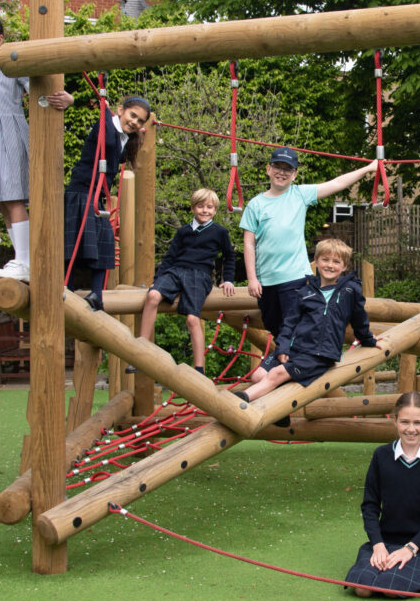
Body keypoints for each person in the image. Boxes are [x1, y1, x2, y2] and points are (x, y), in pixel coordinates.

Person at [0, 8, 73, 282]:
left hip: (10, 136)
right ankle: (21, 258)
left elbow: (40, 88)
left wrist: (67, 99)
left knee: (13, 197)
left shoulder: (8, 65)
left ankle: (25, 261)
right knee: (3, 202)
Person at [239, 146, 377, 341]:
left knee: (295, 330)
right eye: (277, 167)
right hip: (267, 282)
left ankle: (300, 367)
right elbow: (249, 244)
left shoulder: (299, 194)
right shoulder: (255, 204)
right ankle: (287, 366)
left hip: (294, 278)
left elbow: (337, 183)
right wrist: (252, 279)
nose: (281, 172)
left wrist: (368, 168)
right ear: (268, 170)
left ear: (294, 174)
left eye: (287, 169)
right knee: (275, 328)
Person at [233, 238, 379, 407]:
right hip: (296, 347)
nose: (330, 265)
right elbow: (289, 324)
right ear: (316, 262)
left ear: (344, 266)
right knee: (257, 376)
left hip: (318, 354)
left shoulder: (350, 291)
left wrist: (369, 340)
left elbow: (359, 319)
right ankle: (282, 412)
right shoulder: (306, 292)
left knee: (276, 374)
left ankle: (240, 401)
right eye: (325, 260)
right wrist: (283, 347)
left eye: (336, 261)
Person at [345, 391, 420, 597]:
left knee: (390, 589)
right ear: (394, 421)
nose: (411, 429)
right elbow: (370, 506)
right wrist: (377, 545)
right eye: (404, 422)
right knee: (362, 589)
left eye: (418, 423)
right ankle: (379, 557)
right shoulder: (381, 455)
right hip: (385, 541)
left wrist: (410, 548)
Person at [130, 189, 236, 376]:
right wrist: (157, 282)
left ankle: (199, 368)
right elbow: (170, 258)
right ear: (193, 208)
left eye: (209, 207)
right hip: (176, 271)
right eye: (200, 206)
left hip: (199, 275)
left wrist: (227, 279)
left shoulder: (219, 232)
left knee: (192, 318)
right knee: (153, 295)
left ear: (215, 210)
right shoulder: (183, 232)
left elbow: (229, 256)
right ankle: (141, 350)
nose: (205, 211)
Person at [64, 96, 151, 312]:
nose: (135, 122)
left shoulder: (125, 138)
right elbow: (106, 130)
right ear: (120, 110)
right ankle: (67, 286)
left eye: (140, 121)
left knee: (105, 242)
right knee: (74, 241)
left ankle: (97, 294)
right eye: (132, 115)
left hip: (98, 196)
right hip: (81, 191)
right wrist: (103, 103)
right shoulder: (104, 126)